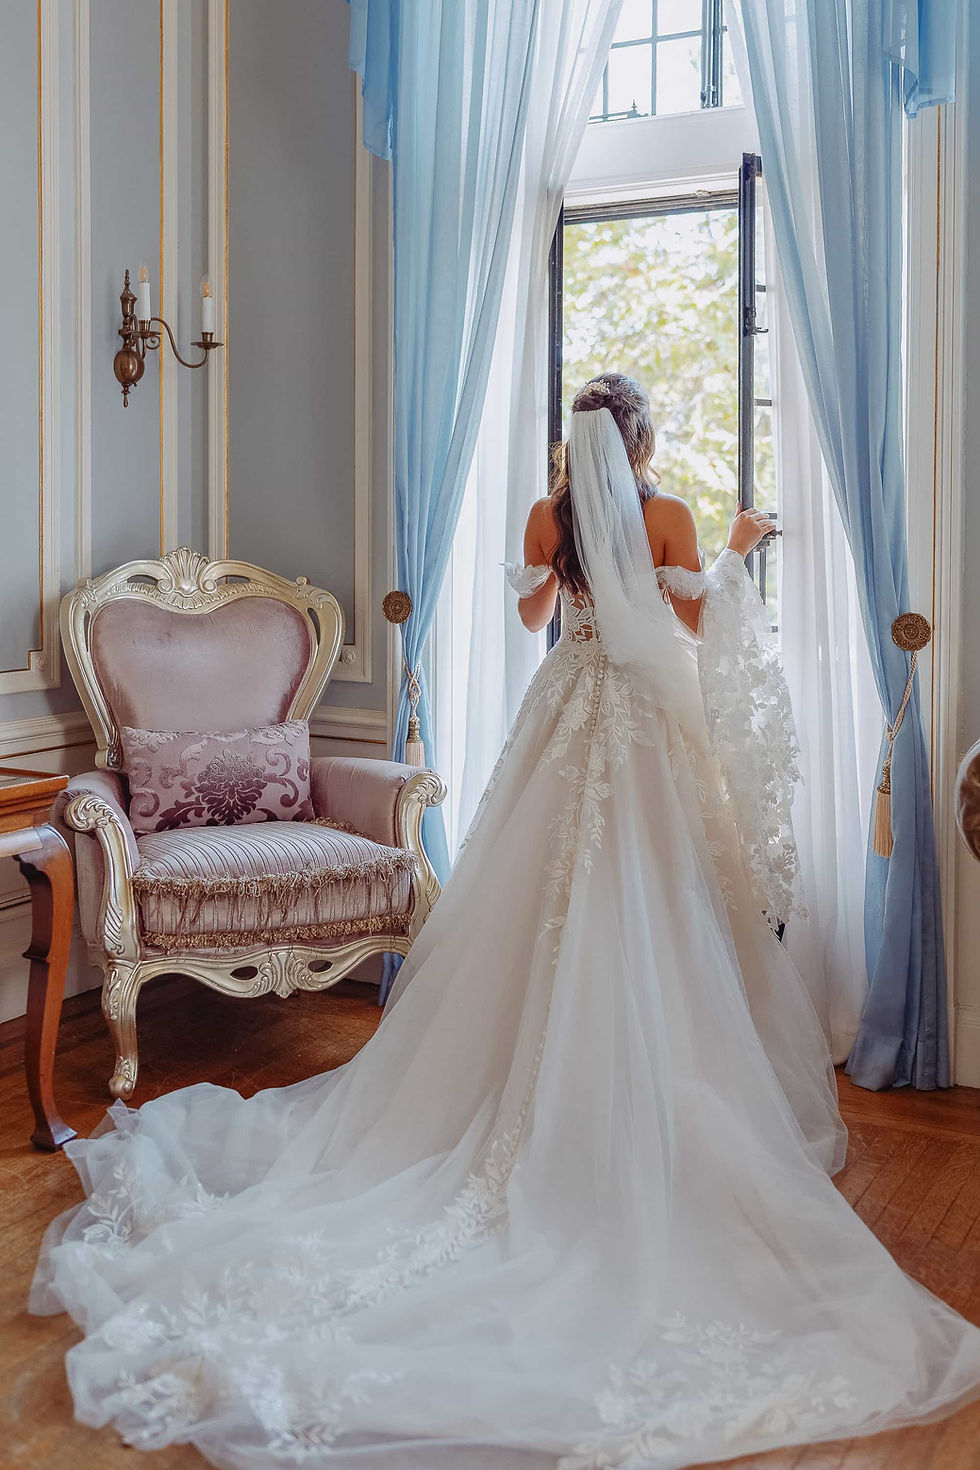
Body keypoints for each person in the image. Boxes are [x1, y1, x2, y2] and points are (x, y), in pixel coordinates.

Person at [32, 374, 980, 1469]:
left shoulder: (551, 515)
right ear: (639, 438)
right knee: (650, 900)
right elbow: (682, 620)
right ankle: (630, 1078)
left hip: (563, 714)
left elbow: (537, 617)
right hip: (634, 729)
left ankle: (525, 1071)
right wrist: (733, 545)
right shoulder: (663, 512)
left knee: (538, 901)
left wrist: (561, 575)